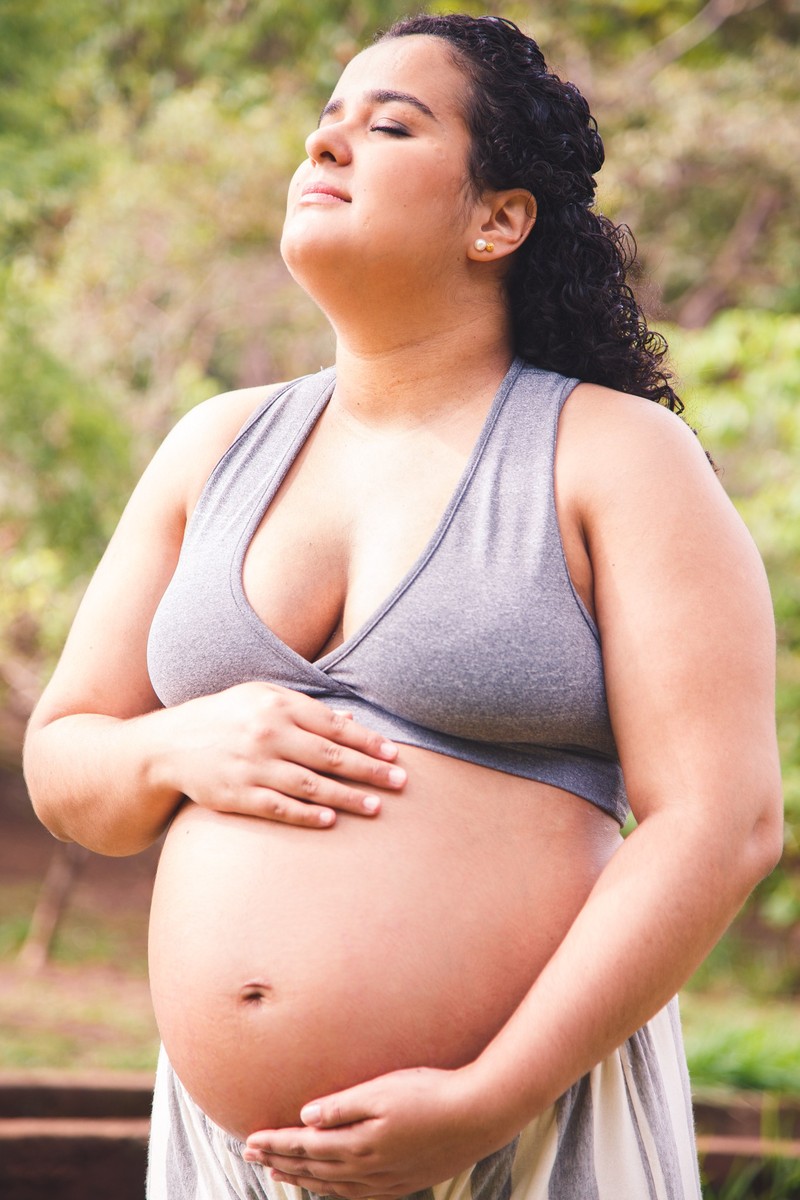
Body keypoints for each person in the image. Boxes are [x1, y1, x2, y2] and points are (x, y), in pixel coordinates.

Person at [23, 12, 782, 1200]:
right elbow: (66, 768)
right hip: (229, 1157)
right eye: (322, 123)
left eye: (386, 125)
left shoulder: (613, 456)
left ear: (498, 219)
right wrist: (181, 742)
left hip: (527, 1129)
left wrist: (488, 1097)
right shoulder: (212, 445)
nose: (325, 146)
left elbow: (721, 821)